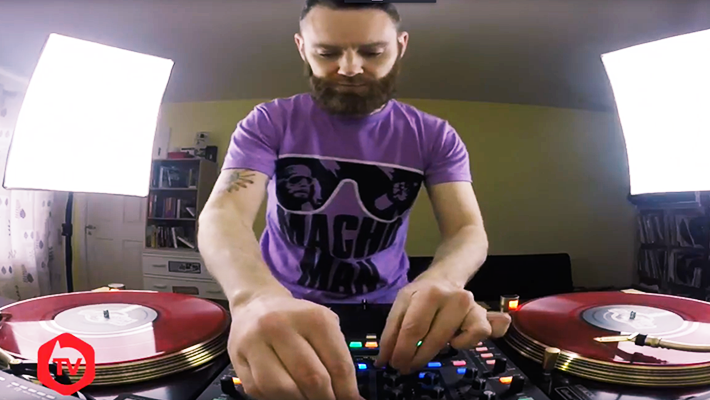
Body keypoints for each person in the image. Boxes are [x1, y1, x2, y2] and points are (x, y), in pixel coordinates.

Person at [198, 1, 511, 399]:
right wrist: (252, 296)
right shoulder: (268, 122)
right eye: (327, 53)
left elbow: (466, 229)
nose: (349, 68)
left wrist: (442, 280)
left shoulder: (435, 137)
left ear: (400, 46)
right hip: (280, 309)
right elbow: (224, 213)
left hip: (391, 313)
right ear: (302, 48)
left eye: (372, 52)